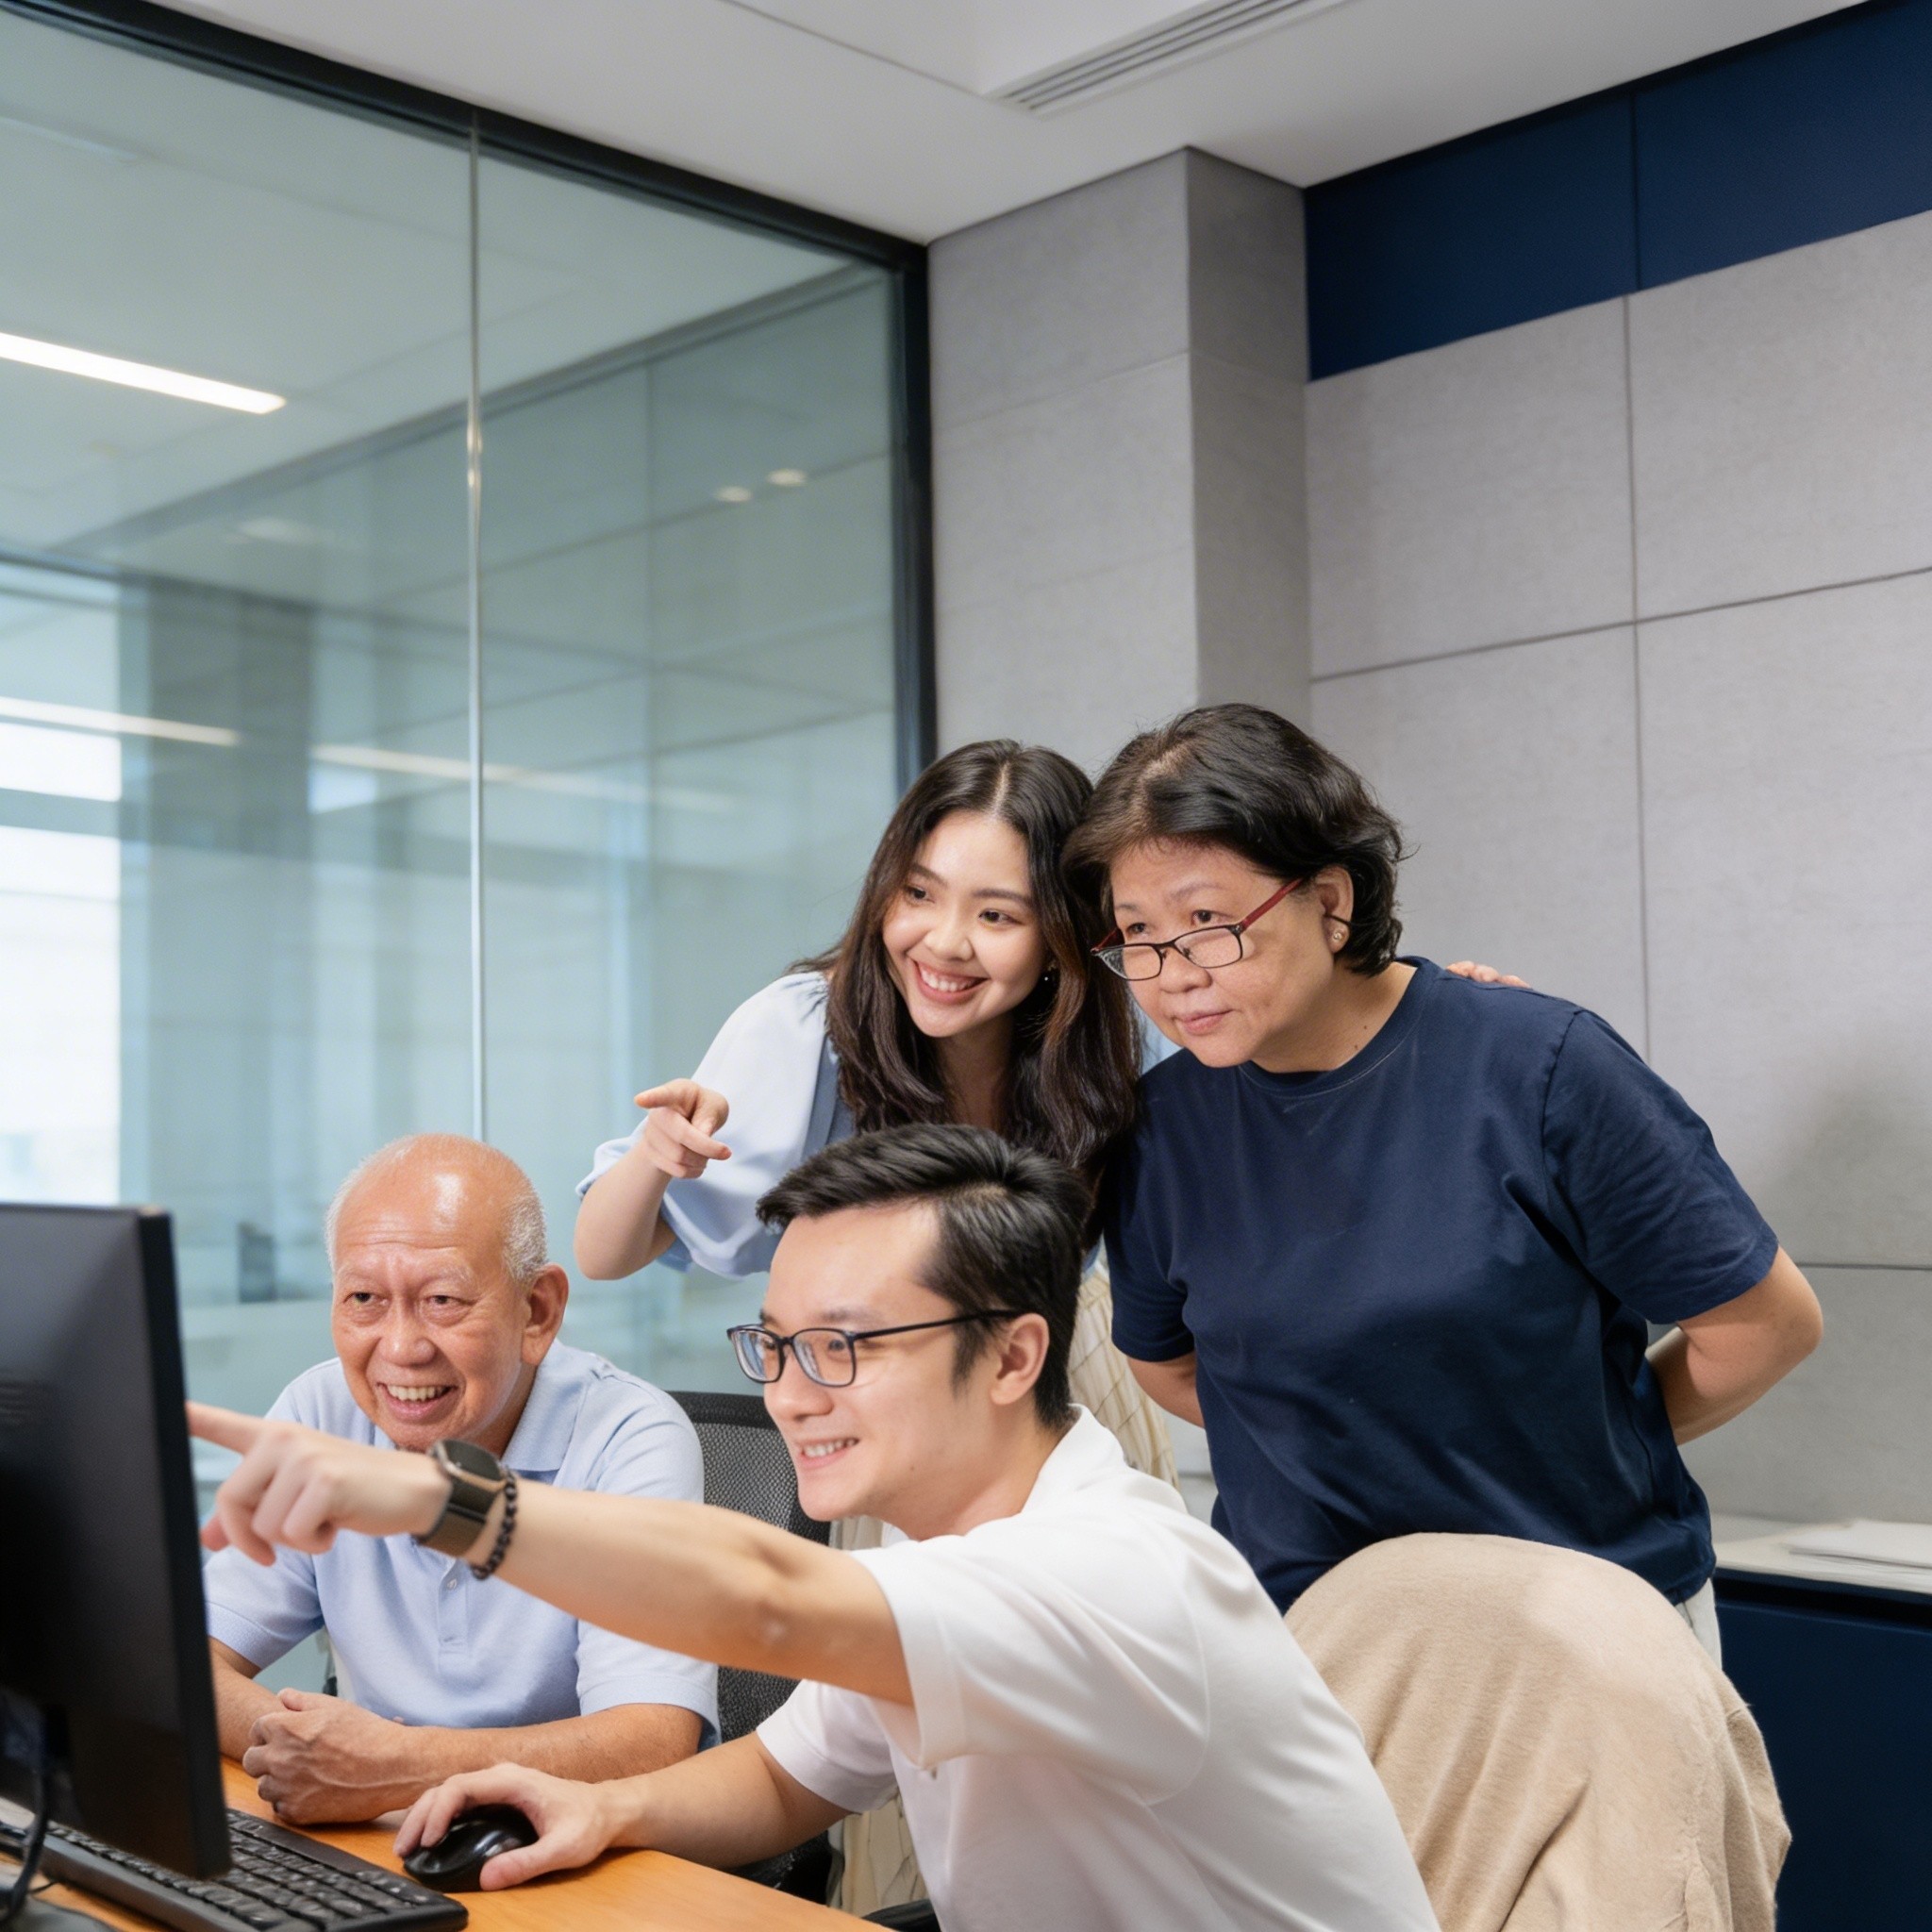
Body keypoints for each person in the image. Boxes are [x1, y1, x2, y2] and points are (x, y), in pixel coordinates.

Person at [192, 1125, 1441, 1932]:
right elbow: (783, 1776)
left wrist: (436, 1497)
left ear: (1014, 1356)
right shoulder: (935, 1553)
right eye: (778, 1345)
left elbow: (766, 1600)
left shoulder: (1108, 1571)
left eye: (844, 1347)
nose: (792, 1394)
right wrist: (606, 1811)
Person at [1067, 703, 1823, 1658]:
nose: (1171, 973)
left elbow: (1762, 1326)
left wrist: (1568, 1441)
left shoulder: (1537, 1065)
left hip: (1575, 1631)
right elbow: (1170, 1364)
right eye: (1137, 934)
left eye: (1208, 923)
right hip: (1305, 1640)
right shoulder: (1160, 1126)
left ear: (1329, 902)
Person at [572, 739, 1178, 1489]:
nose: (944, 943)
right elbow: (601, 1255)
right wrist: (654, 1155)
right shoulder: (805, 1033)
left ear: (1060, 936)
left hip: (1068, 1371)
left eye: (996, 915)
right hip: (885, 1390)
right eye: (919, 894)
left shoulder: (1108, 1038)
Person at [201, 1134, 716, 1824]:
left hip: (568, 1848)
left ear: (538, 1311)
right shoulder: (320, 1411)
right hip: (371, 1836)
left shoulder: (632, 1436)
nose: (401, 1348)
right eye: (363, 1297)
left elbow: (652, 1739)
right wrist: (310, 1753)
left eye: (443, 1300)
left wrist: (394, 1766)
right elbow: (186, 1663)